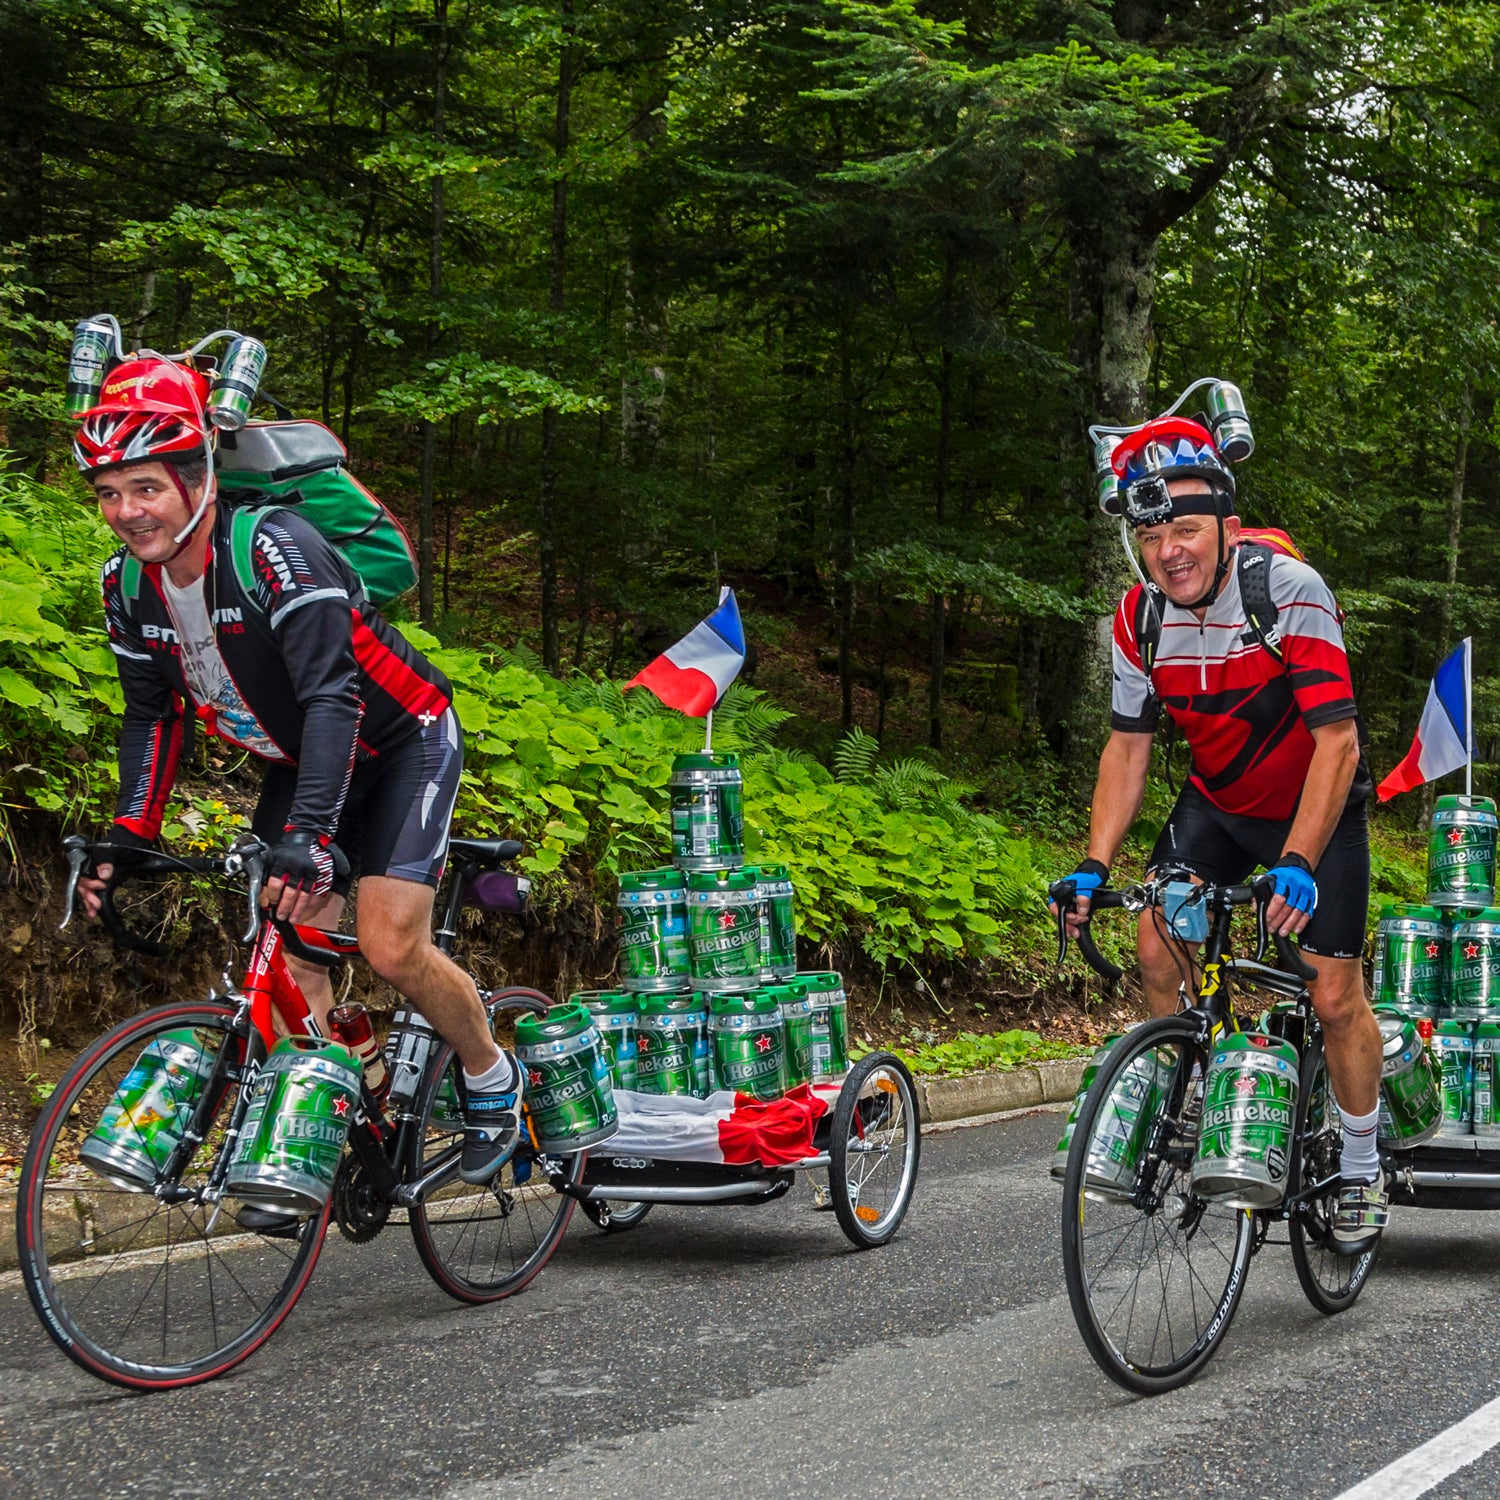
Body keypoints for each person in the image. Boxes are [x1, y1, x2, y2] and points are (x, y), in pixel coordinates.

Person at [71, 354, 523, 1197]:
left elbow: (330, 697)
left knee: (389, 947)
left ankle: (492, 1076)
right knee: (288, 951)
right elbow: (152, 717)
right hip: (301, 757)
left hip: (400, 741)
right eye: (108, 493)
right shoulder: (126, 586)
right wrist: (130, 833)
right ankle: (328, 1129)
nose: (126, 513)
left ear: (196, 481)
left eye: (146, 488)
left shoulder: (277, 548)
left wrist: (309, 837)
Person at [1051, 412, 1387, 1252]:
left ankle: (1357, 1164)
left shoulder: (1288, 590)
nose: (1171, 549)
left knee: (1332, 993)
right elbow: (1129, 749)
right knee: (1157, 942)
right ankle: (1188, 1088)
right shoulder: (1139, 619)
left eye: (1188, 528)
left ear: (1228, 528)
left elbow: (1337, 740)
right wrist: (1096, 863)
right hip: (1221, 803)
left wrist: (1301, 860)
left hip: (1317, 797)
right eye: (1153, 532)